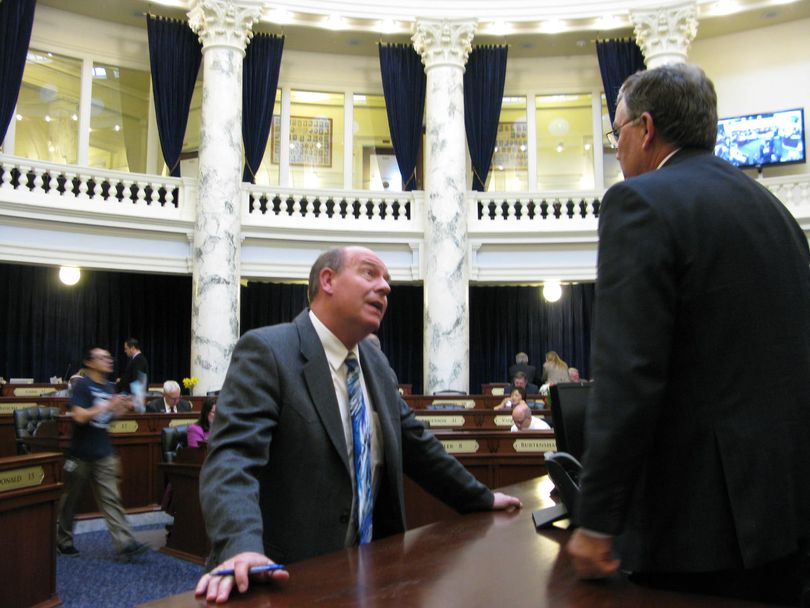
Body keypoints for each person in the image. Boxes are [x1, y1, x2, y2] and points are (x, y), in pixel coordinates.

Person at [566, 64, 810, 606]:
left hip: (698, 531)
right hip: (787, 514)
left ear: (645, 129)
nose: (619, 150)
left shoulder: (641, 202)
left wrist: (598, 519)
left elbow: (629, 373)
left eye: (617, 134)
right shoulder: (776, 214)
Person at [195, 246, 522, 603]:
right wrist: (240, 546)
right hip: (285, 579)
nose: (385, 288)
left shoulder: (375, 362)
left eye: (387, 280)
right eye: (370, 273)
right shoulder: (268, 351)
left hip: (372, 577)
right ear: (328, 280)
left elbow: (419, 446)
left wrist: (482, 498)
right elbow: (232, 460)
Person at [56, 346, 149, 561]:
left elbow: (107, 419)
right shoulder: (82, 386)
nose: (109, 361)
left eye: (109, 357)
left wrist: (124, 407)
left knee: (111, 498)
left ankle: (125, 543)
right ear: (89, 363)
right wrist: (108, 406)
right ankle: (63, 539)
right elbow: (79, 417)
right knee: (71, 499)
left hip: (103, 451)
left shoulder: (108, 386)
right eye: (102, 358)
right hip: (80, 453)